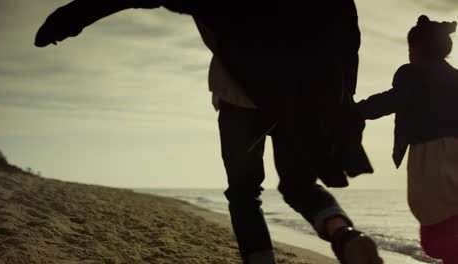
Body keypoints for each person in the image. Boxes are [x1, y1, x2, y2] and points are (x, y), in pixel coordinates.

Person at [34, 1, 383, 263]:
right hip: (300, 103)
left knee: (245, 194)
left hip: (240, 97)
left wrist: (70, 18)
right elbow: (346, 36)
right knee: (300, 185)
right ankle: (344, 234)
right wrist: (340, 100)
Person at [357, 15, 458, 264]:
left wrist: (353, 111)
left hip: (432, 157)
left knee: (438, 237)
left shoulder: (411, 72)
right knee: (451, 227)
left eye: (410, 48)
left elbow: (392, 100)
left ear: (417, 47)